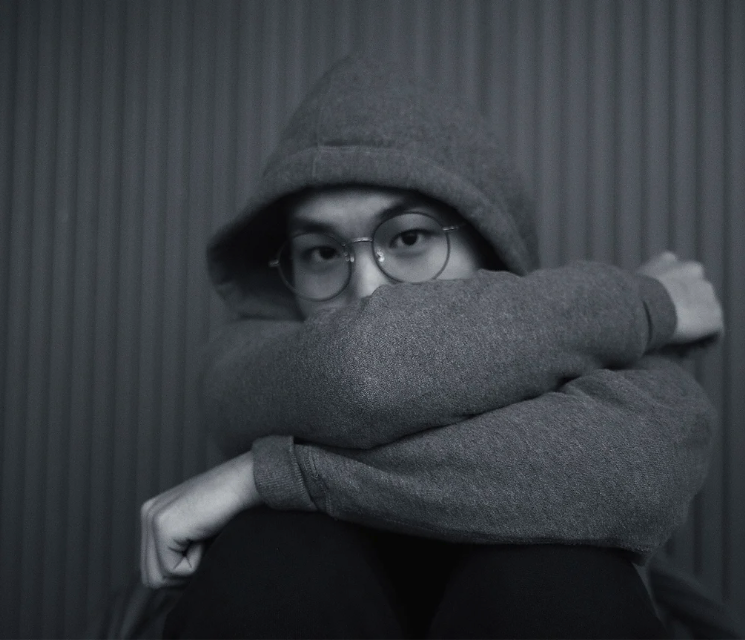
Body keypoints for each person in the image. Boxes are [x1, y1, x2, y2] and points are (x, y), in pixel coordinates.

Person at [140, 56, 723, 639]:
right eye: (322, 252)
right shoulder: (245, 355)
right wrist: (641, 303)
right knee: (271, 557)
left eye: (410, 238)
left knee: (556, 576)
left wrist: (275, 474)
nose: (368, 292)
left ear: (491, 248)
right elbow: (362, 369)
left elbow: (638, 470)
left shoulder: (595, 356)